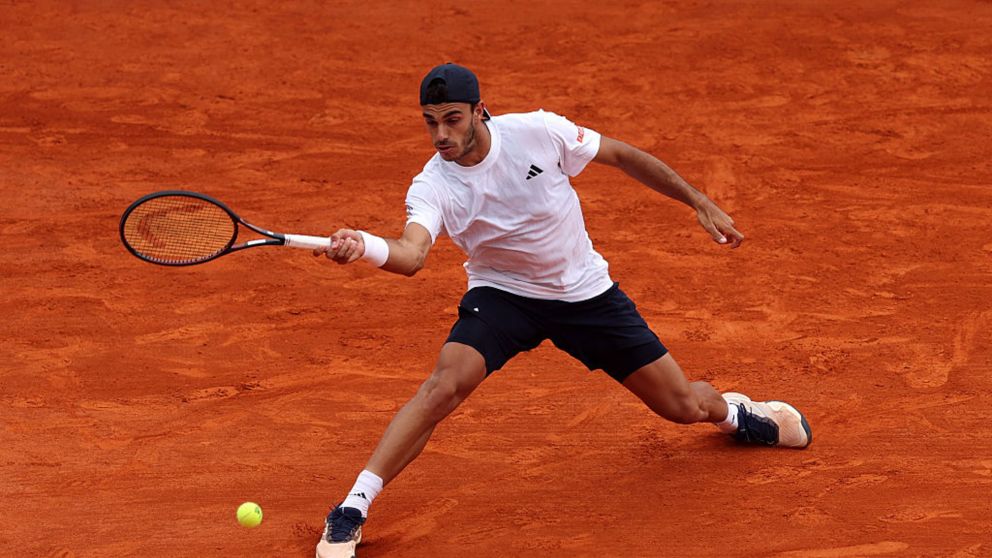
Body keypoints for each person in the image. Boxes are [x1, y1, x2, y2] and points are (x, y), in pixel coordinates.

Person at [313, 63, 811, 558]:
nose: (441, 135)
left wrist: (695, 200)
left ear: (479, 111)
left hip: (584, 295)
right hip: (504, 295)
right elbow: (412, 254)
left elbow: (620, 154)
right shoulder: (432, 185)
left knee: (681, 407)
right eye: (430, 121)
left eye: (453, 120)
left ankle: (734, 414)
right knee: (444, 385)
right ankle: (353, 507)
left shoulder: (538, 131)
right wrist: (365, 247)